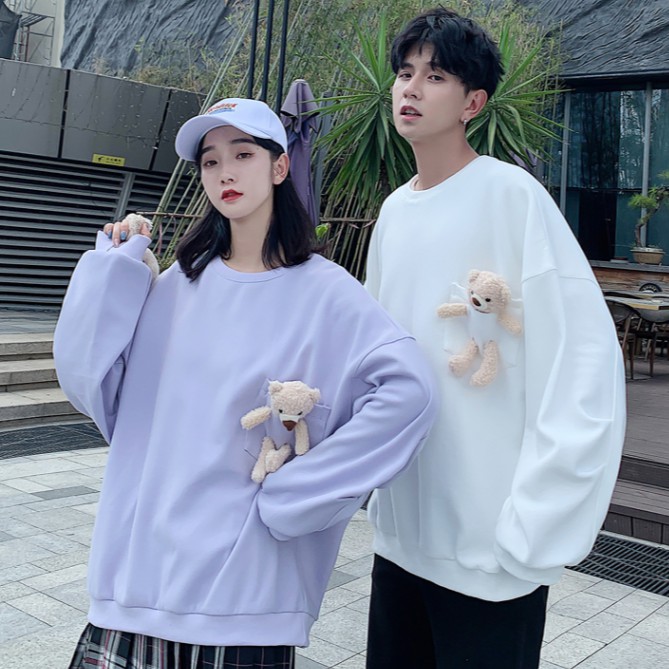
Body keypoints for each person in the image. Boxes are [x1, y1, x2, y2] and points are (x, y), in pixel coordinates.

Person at [54, 97, 437, 669]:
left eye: (242, 154)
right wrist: (110, 275)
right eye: (210, 161)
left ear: (279, 166)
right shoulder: (174, 287)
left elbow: (411, 392)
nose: (224, 173)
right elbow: (95, 392)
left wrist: (299, 495)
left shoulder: (326, 292)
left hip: (246, 593)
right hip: (136, 582)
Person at [364, 8, 626, 669]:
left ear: (473, 103)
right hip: (401, 539)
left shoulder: (513, 197)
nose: (410, 88)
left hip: (492, 552)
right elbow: (376, 356)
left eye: (435, 76)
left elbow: (584, 360)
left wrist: (535, 522)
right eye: (404, 73)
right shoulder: (394, 213)